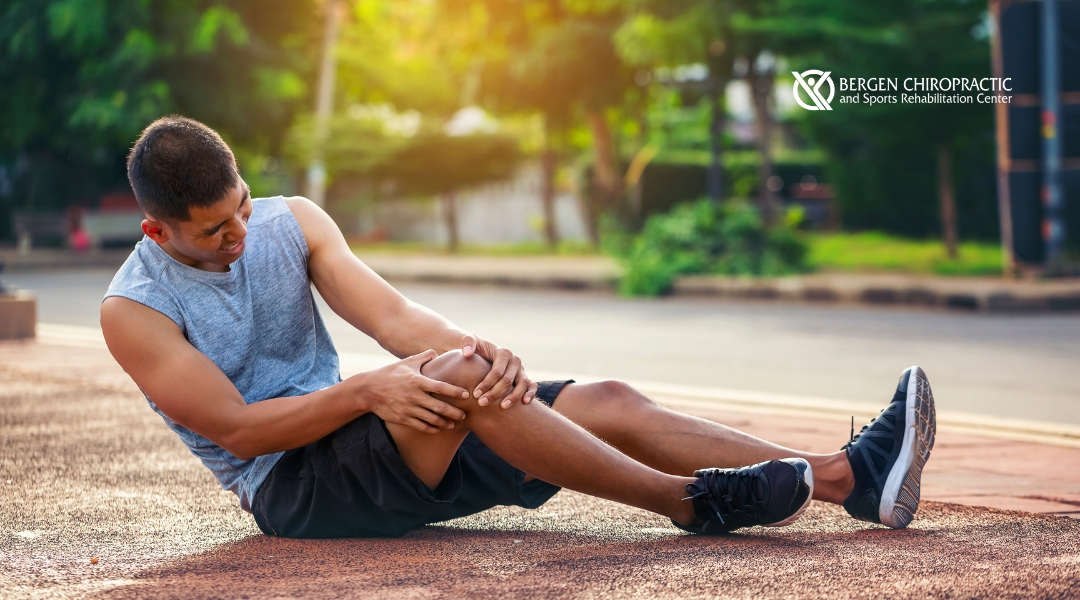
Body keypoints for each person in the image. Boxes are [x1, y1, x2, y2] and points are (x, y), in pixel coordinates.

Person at [101, 116, 937, 539]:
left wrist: (478, 351)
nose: (241, 234)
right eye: (216, 231)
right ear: (159, 231)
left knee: (599, 396)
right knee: (456, 382)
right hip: (297, 488)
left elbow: (394, 317)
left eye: (242, 206)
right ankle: (689, 503)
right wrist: (368, 392)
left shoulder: (294, 221)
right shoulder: (133, 310)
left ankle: (847, 480)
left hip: (386, 436)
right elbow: (241, 434)